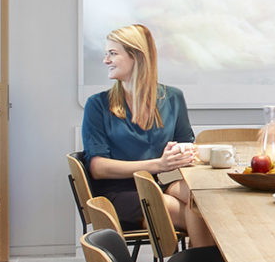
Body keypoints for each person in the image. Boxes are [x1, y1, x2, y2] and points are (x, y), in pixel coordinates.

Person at [80, 24, 208, 239]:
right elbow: (97, 168)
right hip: (118, 193)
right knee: (204, 215)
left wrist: (184, 154)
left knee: (203, 197)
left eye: (112, 53)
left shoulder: (172, 97)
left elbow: (186, 145)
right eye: (107, 54)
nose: (106, 61)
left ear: (137, 56)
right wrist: (158, 164)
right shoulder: (97, 104)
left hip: (157, 183)